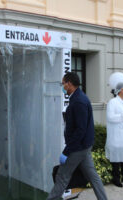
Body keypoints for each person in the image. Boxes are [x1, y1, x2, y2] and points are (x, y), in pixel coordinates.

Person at [47, 72, 107, 200]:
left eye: (63, 84)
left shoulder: (79, 101)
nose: (63, 87)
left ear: (69, 84)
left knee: (62, 176)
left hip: (78, 147)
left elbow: (80, 130)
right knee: (93, 176)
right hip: (83, 146)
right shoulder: (78, 97)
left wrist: (67, 151)